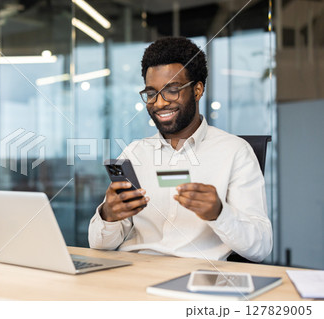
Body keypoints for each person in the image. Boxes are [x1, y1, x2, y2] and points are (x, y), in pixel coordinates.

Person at [88, 37, 272, 262]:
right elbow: (99, 245)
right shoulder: (135, 153)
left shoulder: (236, 152)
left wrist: (219, 213)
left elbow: (261, 247)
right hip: (133, 274)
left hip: (196, 278)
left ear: (197, 90)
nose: (159, 103)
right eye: (151, 93)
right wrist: (109, 215)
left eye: (172, 91)